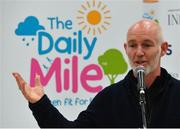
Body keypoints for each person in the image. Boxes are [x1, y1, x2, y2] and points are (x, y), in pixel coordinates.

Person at [12, 19, 180, 128]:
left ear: (163, 49)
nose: (139, 52)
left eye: (147, 45)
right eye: (132, 45)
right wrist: (40, 103)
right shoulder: (110, 97)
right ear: (125, 49)